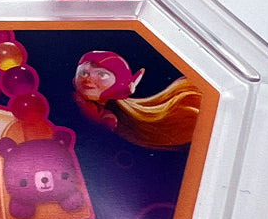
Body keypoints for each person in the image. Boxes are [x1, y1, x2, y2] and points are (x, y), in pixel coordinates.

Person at [73, 50, 201, 149]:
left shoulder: (109, 117)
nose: (88, 78)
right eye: (84, 73)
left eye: (101, 74)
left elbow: (101, 138)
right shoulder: (74, 99)